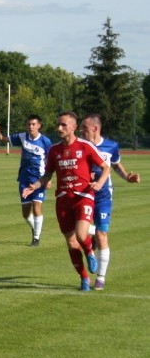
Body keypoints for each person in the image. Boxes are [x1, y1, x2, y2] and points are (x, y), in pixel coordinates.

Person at [22, 112, 109, 291]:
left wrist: (99, 183)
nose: (59, 128)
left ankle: (90, 251)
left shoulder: (85, 146)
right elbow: (47, 175)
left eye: (63, 125)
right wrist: (34, 186)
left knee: (80, 234)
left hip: (83, 197)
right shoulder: (54, 150)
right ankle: (84, 278)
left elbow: (105, 167)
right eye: (58, 125)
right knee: (70, 242)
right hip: (62, 199)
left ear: (73, 127)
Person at [79, 113, 141, 290]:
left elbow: (115, 165)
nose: (82, 131)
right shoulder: (81, 146)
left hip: (104, 195)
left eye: (84, 127)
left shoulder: (111, 146)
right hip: (83, 194)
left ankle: (100, 278)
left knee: (101, 234)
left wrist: (127, 177)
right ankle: (93, 240)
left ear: (95, 128)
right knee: (78, 232)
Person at [0, 115, 52, 246]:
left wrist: (48, 179)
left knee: (37, 208)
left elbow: (50, 161)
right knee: (25, 214)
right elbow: (2, 139)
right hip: (24, 180)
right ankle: (34, 228)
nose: (30, 126)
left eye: (33, 124)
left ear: (39, 126)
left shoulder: (45, 142)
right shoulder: (22, 137)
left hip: (39, 180)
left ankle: (36, 238)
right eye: (28, 124)